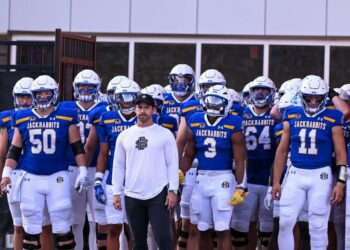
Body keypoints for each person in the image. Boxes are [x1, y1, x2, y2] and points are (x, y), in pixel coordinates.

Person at [0, 75, 89, 250]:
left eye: (46, 93)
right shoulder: (22, 117)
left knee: (63, 227)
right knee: (30, 229)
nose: (42, 97)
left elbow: (77, 147)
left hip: (58, 175)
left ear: (54, 94)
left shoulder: (66, 116)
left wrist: (83, 171)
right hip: (30, 177)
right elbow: (14, 150)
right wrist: (6, 174)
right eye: (39, 93)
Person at [272, 75, 347, 250]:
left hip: (320, 175)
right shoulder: (292, 114)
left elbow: (341, 154)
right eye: (308, 97)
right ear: (301, 96)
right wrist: (276, 181)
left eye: (318, 98)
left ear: (324, 97)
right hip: (295, 173)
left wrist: (341, 183)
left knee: (318, 227)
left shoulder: (333, 116)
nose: (313, 101)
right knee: (285, 222)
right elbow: (282, 150)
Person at [180, 85, 247, 250]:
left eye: (218, 102)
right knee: (203, 229)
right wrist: (180, 172)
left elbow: (240, 160)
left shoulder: (234, 122)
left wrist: (241, 186)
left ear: (228, 103)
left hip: (223, 179)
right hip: (201, 179)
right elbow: (188, 154)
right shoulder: (195, 120)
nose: (213, 105)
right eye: (211, 101)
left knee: (223, 229)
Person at [113, 93, 179, 250]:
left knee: (163, 237)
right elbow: (118, 165)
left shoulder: (165, 134)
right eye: (139, 107)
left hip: (158, 193)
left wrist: (173, 191)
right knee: (138, 241)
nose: (143, 111)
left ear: (153, 110)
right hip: (132, 194)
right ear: (135, 109)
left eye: (146, 107)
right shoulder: (124, 136)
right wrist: (116, 192)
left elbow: (172, 164)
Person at [0, 77, 53, 250]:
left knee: (45, 225)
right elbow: (2, 152)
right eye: (21, 97)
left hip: (39, 174)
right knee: (19, 225)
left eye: (28, 97)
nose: (24, 101)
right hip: (15, 174)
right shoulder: (7, 118)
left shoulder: (50, 116)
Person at [60, 69, 107, 250]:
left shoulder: (103, 109)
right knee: (75, 220)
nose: (86, 90)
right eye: (82, 86)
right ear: (75, 88)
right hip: (73, 168)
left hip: (97, 168)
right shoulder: (65, 108)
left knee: (98, 220)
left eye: (90, 86)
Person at [230, 76, 276, 250]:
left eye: (265, 90)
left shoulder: (276, 114)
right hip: (246, 177)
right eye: (257, 89)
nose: (261, 93)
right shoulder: (241, 112)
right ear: (250, 92)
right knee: (239, 228)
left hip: (268, 176)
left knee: (266, 231)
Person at [94, 78, 140, 250]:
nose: (126, 102)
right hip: (114, 180)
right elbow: (103, 153)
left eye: (130, 98)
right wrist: (98, 180)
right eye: (122, 97)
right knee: (114, 228)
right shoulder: (108, 118)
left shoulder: (145, 119)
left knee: (133, 230)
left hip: (137, 180)